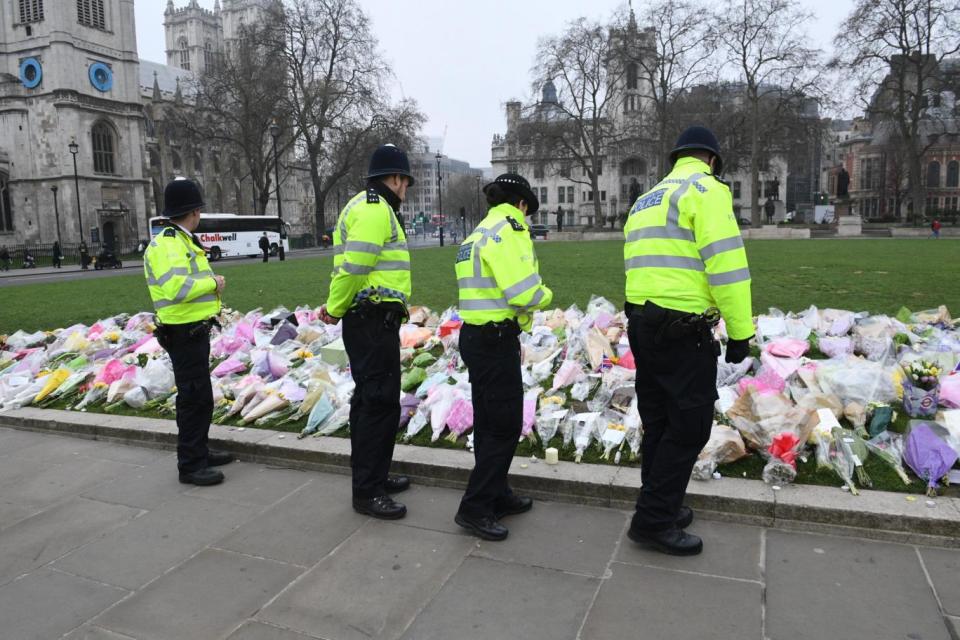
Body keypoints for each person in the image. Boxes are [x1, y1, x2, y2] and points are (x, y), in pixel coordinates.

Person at [622, 126, 753, 556]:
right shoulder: (706, 190)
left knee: (659, 420)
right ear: (712, 160)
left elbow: (637, 263)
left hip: (643, 320)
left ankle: (660, 502)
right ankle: (654, 521)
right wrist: (740, 333)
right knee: (690, 425)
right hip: (682, 328)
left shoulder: (647, 198)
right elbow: (727, 268)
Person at [453, 173, 554, 541]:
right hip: (495, 340)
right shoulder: (509, 228)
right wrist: (545, 294)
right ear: (522, 204)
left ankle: (496, 492)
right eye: (528, 212)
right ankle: (476, 507)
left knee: (488, 422)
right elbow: (523, 291)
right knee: (505, 425)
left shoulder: (478, 231)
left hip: (476, 336)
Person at [320, 144, 414, 520]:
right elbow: (354, 268)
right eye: (405, 181)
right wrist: (334, 307)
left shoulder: (363, 204)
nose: (405, 189)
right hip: (372, 319)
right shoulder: (376, 210)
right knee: (378, 403)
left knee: (371, 401)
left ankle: (374, 474)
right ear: (395, 178)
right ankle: (368, 491)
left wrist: (338, 306)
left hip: (370, 319)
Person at [144, 178, 233, 486]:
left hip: (192, 329)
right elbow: (176, 288)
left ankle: (200, 449)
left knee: (200, 397)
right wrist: (214, 283)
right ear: (194, 212)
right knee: (193, 398)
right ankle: (191, 464)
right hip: (182, 331)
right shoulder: (168, 244)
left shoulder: (179, 240)